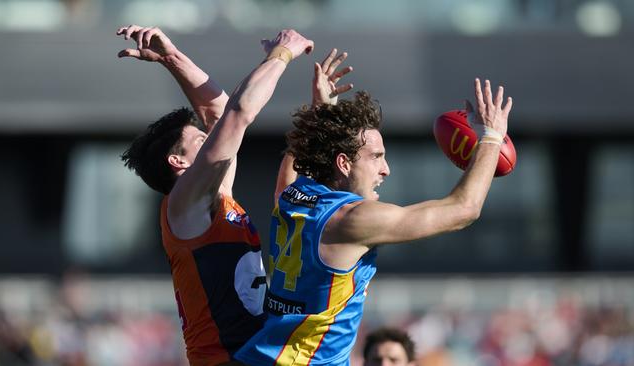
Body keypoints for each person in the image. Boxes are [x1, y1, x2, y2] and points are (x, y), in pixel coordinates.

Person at [234, 79, 513, 365]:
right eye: (376, 157)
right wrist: (491, 137)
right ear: (343, 164)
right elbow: (464, 209)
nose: (386, 170)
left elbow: (287, 180)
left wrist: (320, 116)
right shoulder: (352, 220)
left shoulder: (293, 196)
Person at [118, 26, 314, 366]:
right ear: (178, 161)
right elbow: (237, 115)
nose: (211, 141)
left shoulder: (215, 195)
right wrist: (281, 55)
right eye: (201, 141)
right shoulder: (184, 201)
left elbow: (223, 113)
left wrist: (172, 59)